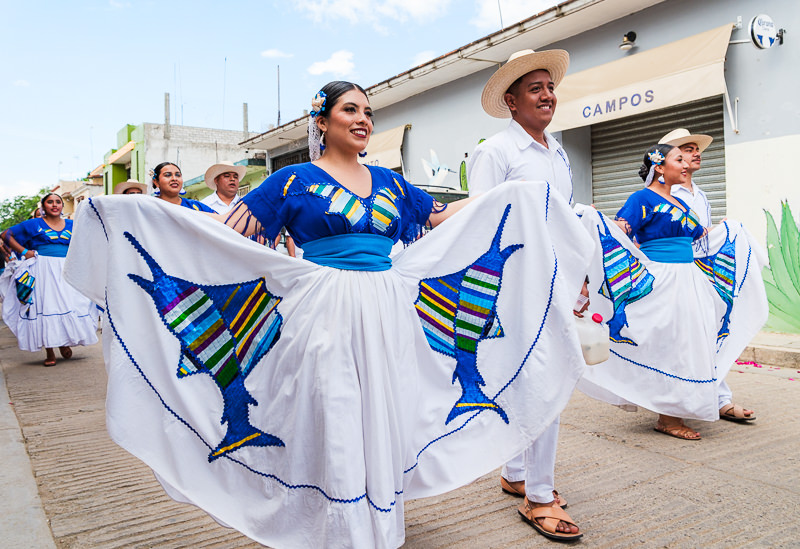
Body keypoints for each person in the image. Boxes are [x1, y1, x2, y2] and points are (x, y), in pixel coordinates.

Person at [63, 81, 594, 549]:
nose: (363, 119)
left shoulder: (391, 181)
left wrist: (514, 196)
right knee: (333, 407)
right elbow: (223, 238)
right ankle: (335, 523)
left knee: (381, 408)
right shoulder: (291, 180)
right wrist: (135, 216)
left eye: (367, 112)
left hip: (387, 308)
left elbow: (444, 215)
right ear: (321, 122)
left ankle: (375, 517)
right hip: (323, 308)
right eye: (350, 111)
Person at [468, 49, 582, 541]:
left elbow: (568, 219)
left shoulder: (557, 152)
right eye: (534, 89)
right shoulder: (496, 152)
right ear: (511, 102)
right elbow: (479, 225)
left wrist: (581, 277)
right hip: (516, 284)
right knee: (539, 381)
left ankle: (516, 473)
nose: (547, 95)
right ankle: (541, 495)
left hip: (556, 280)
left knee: (532, 379)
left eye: (549, 87)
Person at [577, 144, 767, 441]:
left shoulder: (682, 205)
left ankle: (682, 405)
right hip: (662, 279)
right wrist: (594, 220)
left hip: (689, 279)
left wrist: (730, 231)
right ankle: (668, 417)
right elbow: (620, 229)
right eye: (678, 159)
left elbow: (702, 238)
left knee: (690, 343)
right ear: (659, 168)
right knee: (672, 343)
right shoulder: (642, 199)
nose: (685, 164)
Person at [659, 129, 755, 423]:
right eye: (687, 149)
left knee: (710, 336)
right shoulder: (665, 193)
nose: (696, 153)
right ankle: (673, 410)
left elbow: (704, 237)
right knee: (682, 341)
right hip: (676, 275)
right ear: (672, 159)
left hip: (703, 276)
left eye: (696, 149)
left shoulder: (698, 194)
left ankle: (717, 399)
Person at [2, 193, 98, 366]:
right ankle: (50, 351)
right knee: (47, 305)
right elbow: (6, 234)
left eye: (58, 202)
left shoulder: (72, 224)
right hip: (44, 268)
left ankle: (63, 342)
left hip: (67, 267)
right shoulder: (34, 224)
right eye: (50, 202)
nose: (54, 205)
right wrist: (24, 252)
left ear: (62, 206)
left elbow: (86, 241)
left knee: (71, 303)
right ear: (43, 206)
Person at [151, 162, 216, 212]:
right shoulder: (149, 205)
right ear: (156, 182)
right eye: (168, 175)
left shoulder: (195, 206)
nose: (174, 178)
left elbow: (220, 221)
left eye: (178, 175)